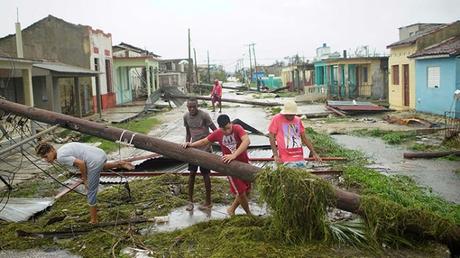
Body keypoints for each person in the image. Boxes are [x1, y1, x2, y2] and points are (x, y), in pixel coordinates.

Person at [35, 142, 134, 224]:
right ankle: (120, 163)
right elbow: (82, 162)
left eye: (46, 156)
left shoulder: (61, 157)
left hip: (94, 161)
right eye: (43, 158)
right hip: (100, 154)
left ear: (52, 150)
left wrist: (85, 179)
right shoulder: (63, 149)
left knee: (90, 192)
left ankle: (94, 220)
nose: (46, 160)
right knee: (100, 167)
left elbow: (81, 163)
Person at [183, 114, 252, 216]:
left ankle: (231, 209)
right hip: (230, 167)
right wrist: (191, 144)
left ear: (231, 123)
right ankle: (249, 214)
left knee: (248, 190)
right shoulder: (218, 133)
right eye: (224, 129)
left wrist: (234, 155)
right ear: (220, 127)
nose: (227, 131)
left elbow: (247, 141)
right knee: (241, 193)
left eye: (228, 128)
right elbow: (204, 141)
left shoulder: (238, 128)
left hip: (244, 163)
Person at [183, 98, 217, 211]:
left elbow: (215, 131)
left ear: (198, 105)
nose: (192, 109)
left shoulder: (204, 116)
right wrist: (187, 143)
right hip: (193, 150)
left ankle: (208, 201)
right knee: (192, 174)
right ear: (187, 107)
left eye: (194, 106)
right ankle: (190, 201)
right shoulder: (186, 117)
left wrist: (209, 144)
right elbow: (188, 133)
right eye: (189, 107)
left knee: (205, 174)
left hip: (205, 150)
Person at [268, 100, 322, 168]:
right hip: (284, 158)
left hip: (298, 157)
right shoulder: (277, 119)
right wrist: (275, 155)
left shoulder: (297, 120)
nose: (291, 117)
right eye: (289, 115)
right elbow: (271, 136)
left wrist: (314, 153)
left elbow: (304, 138)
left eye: (292, 115)